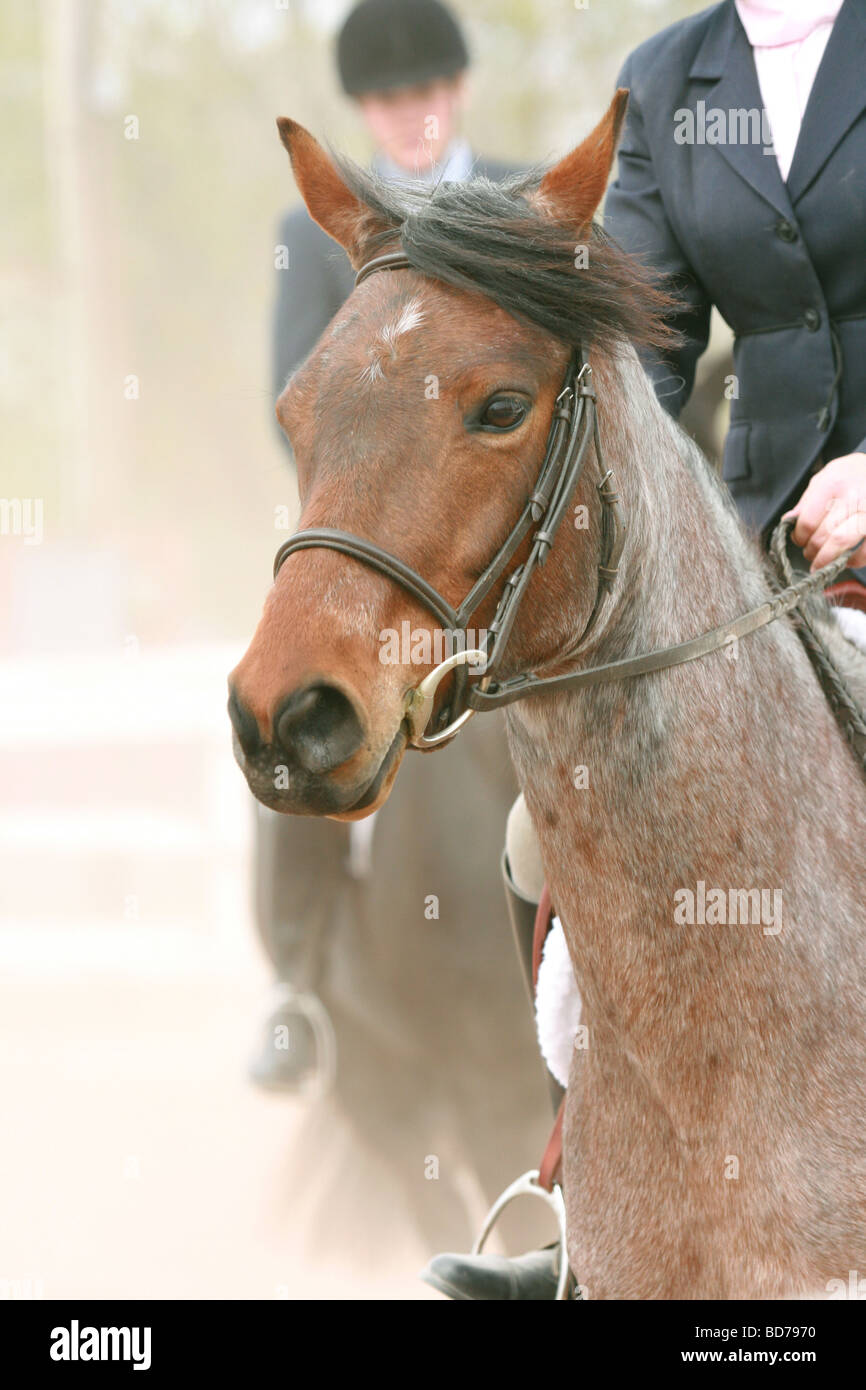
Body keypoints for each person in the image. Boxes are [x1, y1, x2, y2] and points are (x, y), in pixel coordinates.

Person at [424, 0, 866, 1299]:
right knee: (533, 837)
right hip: (750, 560)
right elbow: (634, 359)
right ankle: (584, 1196)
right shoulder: (672, 80)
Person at [251, 0, 522, 1092]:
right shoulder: (316, 228)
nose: (411, 115)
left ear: (454, 91)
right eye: (390, 100)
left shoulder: (522, 200)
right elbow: (289, 397)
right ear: (365, 107)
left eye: (425, 93)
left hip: (503, 533)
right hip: (368, 544)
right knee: (280, 689)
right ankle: (301, 978)